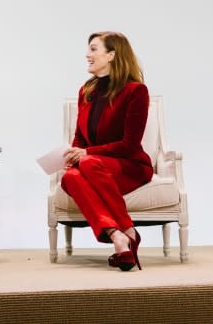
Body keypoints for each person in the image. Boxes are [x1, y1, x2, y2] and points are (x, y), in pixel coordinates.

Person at [61, 31, 153, 271]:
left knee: (90, 163)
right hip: (96, 165)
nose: (87, 55)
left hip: (130, 165)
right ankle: (118, 236)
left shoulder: (136, 91)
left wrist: (87, 154)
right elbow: (80, 136)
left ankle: (128, 229)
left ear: (112, 54)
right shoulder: (86, 91)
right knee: (69, 176)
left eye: (93, 49)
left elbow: (130, 144)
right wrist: (75, 154)